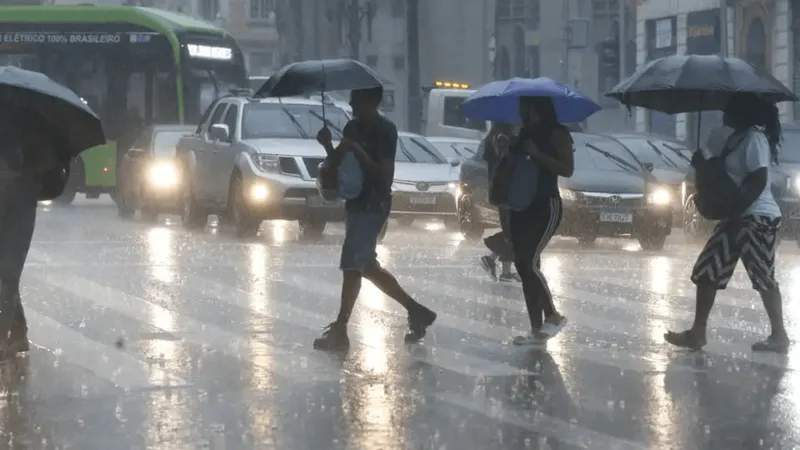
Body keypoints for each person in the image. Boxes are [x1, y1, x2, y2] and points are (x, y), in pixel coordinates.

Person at [313, 87, 437, 350]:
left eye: (356, 100)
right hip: (355, 203)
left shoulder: (385, 131)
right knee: (365, 266)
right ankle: (417, 311)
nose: (352, 105)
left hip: (374, 204)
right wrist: (328, 146)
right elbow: (340, 163)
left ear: (370, 101)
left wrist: (357, 150)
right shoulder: (351, 127)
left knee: (351, 265)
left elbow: (384, 174)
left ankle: (341, 329)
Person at [665, 94, 789, 354]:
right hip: (736, 216)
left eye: (730, 108)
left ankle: (779, 335)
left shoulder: (754, 138)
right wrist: (702, 164)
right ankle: (698, 332)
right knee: (708, 269)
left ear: (743, 113)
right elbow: (725, 176)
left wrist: (736, 212)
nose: (724, 112)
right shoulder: (735, 138)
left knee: (762, 274)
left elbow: (758, 180)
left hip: (757, 217)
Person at [0, 106, 67, 359]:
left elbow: (48, 162)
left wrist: (15, 169)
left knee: (8, 269)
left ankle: (3, 335)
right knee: (5, 269)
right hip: (16, 196)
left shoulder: (33, 123)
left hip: (20, 199)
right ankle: (17, 332)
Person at [509, 97, 573, 346]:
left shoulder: (558, 134)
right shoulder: (523, 134)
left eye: (525, 107)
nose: (521, 112)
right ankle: (536, 328)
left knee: (528, 261)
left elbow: (567, 169)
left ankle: (553, 315)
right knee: (525, 266)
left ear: (536, 108)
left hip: (545, 204)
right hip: (520, 205)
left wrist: (538, 155)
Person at [478, 121, 520, 282]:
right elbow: (506, 164)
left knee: (511, 231)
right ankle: (491, 258)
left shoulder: (492, 139)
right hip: (507, 192)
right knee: (513, 232)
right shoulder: (502, 140)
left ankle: (505, 271)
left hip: (501, 192)